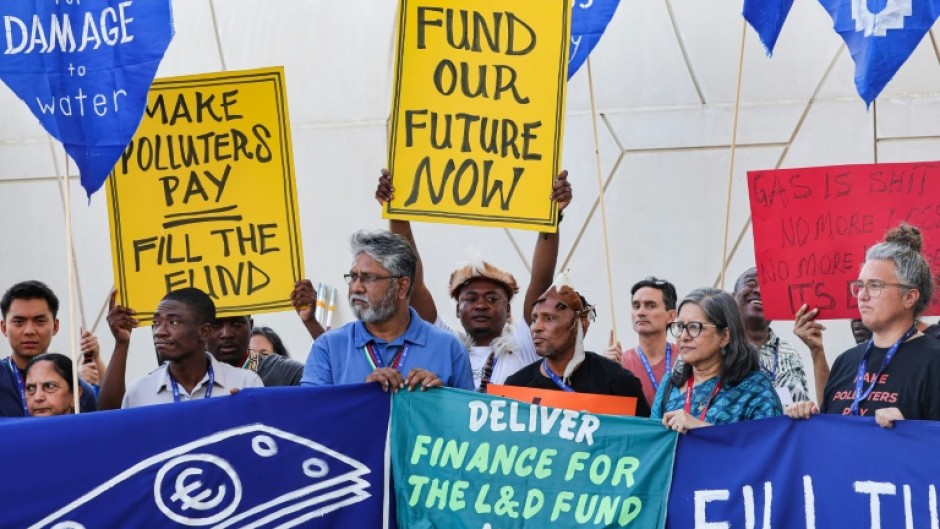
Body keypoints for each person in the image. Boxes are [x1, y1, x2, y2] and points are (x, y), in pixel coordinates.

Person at [374, 169, 572, 391]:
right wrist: (397, 212)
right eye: (470, 298)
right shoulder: (445, 344)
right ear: (458, 310)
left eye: (491, 298)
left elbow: (540, 279)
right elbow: (413, 282)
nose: (480, 305)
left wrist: (552, 216)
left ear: (508, 311)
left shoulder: (524, 344)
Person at [786, 224, 940, 427]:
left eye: (875, 286)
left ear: (909, 297)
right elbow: (831, 431)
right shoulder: (846, 361)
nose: (862, 295)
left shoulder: (934, 362)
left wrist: (910, 432)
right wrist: (808, 417)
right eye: (859, 286)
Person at [301, 230, 473, 391]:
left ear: (401, 287)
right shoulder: (328, 347)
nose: (356, 288)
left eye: (369, 278)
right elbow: (311, 416)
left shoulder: (448, 347)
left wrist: (440, 399)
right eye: (353, 277)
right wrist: (363, 395)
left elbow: (466, 418)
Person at [504, 274, 651, 417]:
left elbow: (644, 438)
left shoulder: (618, 381)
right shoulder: (515, 386)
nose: (536, 327)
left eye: (549, 318)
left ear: (581, 324)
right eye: (534, 318)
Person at [652, 288, 782, 433]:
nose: (683, 336)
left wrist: (702, 428)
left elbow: (768, 446)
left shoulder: (754, 388)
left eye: (695, 327)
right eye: (680, 326)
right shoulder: (670, 385)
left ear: (725, 336)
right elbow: (653, 444)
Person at [113, 288, 263, 408]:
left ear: (203, 332)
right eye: (156, 323)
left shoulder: (245, 384)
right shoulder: (139, 392)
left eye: (173, 322)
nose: (160, 332)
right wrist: (121, 343)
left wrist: (242, 413)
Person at [0, 280, 98, 416]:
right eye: (19, 322)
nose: (29, 331)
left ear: (55, 326)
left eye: (39, 321)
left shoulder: (80, 390)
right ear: (4, 327)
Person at [732, 268, 810, 405]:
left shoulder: (790, 352)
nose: (759, 291)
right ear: (733, 297)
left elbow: (802, 403)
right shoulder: (716, 347)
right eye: (751, 283)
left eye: (767, 287)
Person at [603, 276, 678, 406]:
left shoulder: (686, 358)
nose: (640, 312)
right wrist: (607, 371)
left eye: (651, 306)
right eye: (636, 306)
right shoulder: (619, 362)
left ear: (671, 316)